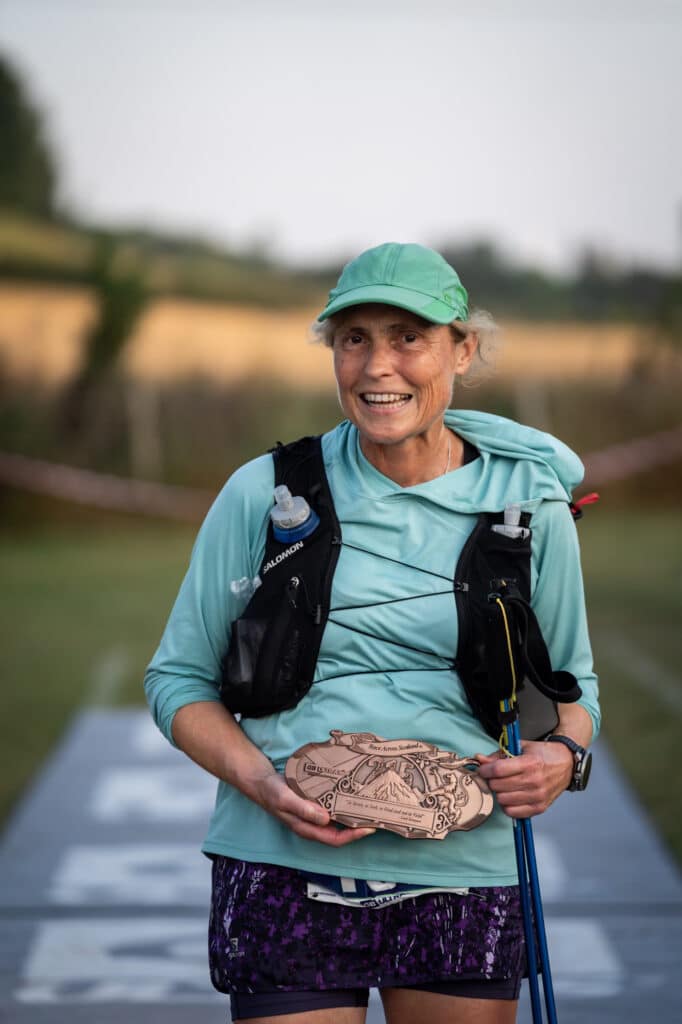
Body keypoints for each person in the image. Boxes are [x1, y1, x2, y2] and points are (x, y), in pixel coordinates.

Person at [144, 242, 600, 1024]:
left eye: (407, 337)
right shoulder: (266, 492)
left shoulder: (529, 508)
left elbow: (572, 690)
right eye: (354, 338)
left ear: (463, 349)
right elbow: (177, 681)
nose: (376, 366)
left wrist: (563, 758)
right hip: (280, 864)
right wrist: (265, 789)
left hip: (465, 870)